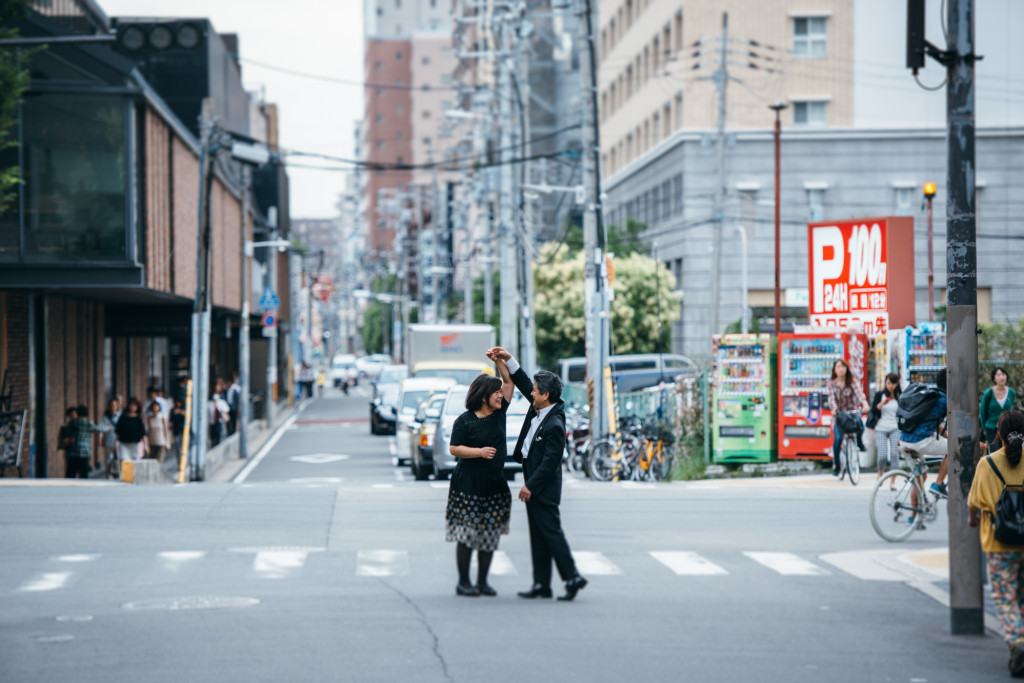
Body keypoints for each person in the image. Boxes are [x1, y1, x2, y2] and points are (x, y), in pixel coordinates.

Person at [489, 346, 588, 602]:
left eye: (535, 390)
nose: (530, 392)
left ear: (545, 394)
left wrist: (530, 486)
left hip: (543, 487)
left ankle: (573, 577)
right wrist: (509, 360)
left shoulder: (555, 423)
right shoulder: (540, 409)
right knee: (539, 534)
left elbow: (551, 463)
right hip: (534, 483)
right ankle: (542, 584)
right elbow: (522, 382)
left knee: (551, 532)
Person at [445, 370, 515, 597]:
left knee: (489, 533)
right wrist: (479, 452)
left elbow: (508, 381)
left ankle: (483, 582)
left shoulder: (499, 413)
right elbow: (454, 448)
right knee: (468, 533)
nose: (499, 395)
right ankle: (463, 582)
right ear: (484, 396)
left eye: (499, 392)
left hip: (494, 482)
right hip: (468, 483)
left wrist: (498, 361)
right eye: (495, 392)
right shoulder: (465, 421)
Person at [969, 410, 1024, 676]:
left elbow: (974, 504)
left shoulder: (987, 464)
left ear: (998, 434)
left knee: (1007, 598)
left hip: (999, 544)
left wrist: (971, 521)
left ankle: (1018, 643)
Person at [899, 368, 949, 498]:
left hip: (904, 440)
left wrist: (948, 437)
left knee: (920, 477)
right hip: (920, 441)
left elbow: (936, 425)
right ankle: (938, 484)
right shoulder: (944, 400)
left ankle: (913, 516)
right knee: (954, 449)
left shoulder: (929, 396)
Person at [826, 359, 869, 476]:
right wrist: (834, 409)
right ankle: (837, 465)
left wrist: (864, 404)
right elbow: (831, 399)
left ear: (846, 369)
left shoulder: (852, 382)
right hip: (839, 416)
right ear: (835, 369)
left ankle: (859, 442)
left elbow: (860, 394)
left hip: (852, 412)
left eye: (843, 367)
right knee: (838, 439)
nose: (841, 369)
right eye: (838, 367)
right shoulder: (831, 384)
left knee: (860, 425)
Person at [868, 373, 902, 483]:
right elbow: (873, 410)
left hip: (894, 427)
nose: (890, 386)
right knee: (882, 455)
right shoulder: (880, 395)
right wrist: (882, 404)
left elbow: (902, 413)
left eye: (893, 383)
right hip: (881, 427)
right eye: (888, 383)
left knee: (894, 454)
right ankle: (880, 473)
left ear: (897, 384)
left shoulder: (899, 396)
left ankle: (893, 480)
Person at [982, 366, 1017, 453]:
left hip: (1007, 428)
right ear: (994, 378)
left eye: (1003, 374)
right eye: (998, 375)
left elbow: (1011, 410)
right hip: (991, 429)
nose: (1001, 377)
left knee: (1008, 452)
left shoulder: (1011, 393)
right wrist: (984, 429)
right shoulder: (988, 393)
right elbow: (983, 413)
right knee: (994, 453)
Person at [67, 405, 107, 479]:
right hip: (84, 451)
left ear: (77, 413)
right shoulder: (88, 423)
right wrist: (107, 428)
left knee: (71, 472)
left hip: (73, 451)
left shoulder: (72, 422)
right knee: (83, 473)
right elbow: (98, 429)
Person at [115, 398, 148, 463]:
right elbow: (118, 431)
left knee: (135, 462)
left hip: (135, 444)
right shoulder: (123, 417)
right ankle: (127, 473)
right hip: (124, 443)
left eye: (134, 405)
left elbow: (143, 433)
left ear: (137, 407)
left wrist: (146, 446)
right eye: (131, 405)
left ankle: (133, 473)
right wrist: (115, 443)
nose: (132, 407)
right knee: (125, 462)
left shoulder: (138, 418)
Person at [98, 398, 120, 473]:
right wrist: (100, 439)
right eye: (111, 405)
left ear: (117, 406)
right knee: (108, 460)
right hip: (108, 441)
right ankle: (108, 474)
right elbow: (100, 429)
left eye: (114, 405)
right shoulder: (105, 418)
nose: (112, 407)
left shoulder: (120, 417)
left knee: (118, 459)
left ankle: (118, 473)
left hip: (119, 442)